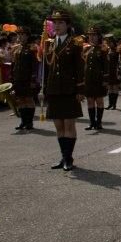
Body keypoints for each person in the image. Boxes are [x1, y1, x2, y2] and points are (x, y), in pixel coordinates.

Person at [43, 11, 85, 171]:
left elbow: (80, 68)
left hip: (69, 89)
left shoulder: (75, 43)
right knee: (58, 125)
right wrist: (45, 89)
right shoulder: (49, 43)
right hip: (54, 89)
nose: (57, 26)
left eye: (61, 23)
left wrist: (81, 89)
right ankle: (63, 156)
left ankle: (68, 158)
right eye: (55, 23)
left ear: (67, 25)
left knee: (68, 124)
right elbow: (48, 69)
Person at [10, 27, 39, 130]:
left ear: (27, 36)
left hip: (28, 78)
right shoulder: (16, 48)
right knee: (20, 100)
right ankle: (23, 122)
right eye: (19, 34)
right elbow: (13, 64)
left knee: (29, 99)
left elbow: (35, 65)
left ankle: (29, 122)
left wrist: (33, 79)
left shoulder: (32, 48)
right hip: (18, 78)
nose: (20, 36)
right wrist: (11, 78)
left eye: (23, 34)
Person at [82, 26, 109, 131]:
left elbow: (106, 65)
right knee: (89, 100)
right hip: (88, 78)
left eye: (94, 35)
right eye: (90, 35)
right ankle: (92, 122)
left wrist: (105, 80)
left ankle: (99, 122)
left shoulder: (103, 49)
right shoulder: (86, 48)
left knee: (99, 101)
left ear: (98, 37)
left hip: (99, 79)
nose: (92, 37)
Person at [105, 35, 120, 110]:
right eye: (108, 43)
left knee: (115, 88)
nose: (109, 44)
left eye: (110, 42)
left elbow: (119, 61)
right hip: (108, 70)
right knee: (110, 88)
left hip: (115, 70)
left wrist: (119, 72)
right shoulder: (107, 50)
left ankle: (114, 104)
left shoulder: (117, 50)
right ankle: (110, 104)